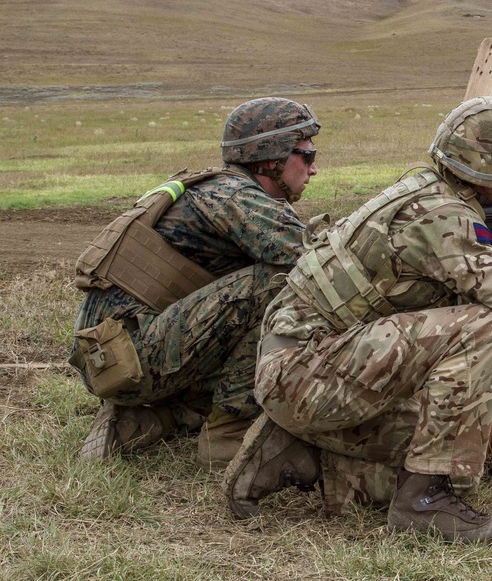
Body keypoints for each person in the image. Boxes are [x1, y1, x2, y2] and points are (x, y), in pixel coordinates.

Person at [222, 96, 492, 543]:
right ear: (490, 173)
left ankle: (297, 449)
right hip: (303, 374)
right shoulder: (443, 218)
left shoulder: (436, 193)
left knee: (456, 438)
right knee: (484, 327)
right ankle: (426, 504)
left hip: (309, 368)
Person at [70, 96, 321, 469]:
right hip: (133, 360)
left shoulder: (215, 189)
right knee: (283, 282)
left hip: (112, 361)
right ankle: (228, 433)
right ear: (272, 159)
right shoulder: (235, 197)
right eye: (307, 155)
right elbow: (321, 262)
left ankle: (149, 420)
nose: (313, 169)